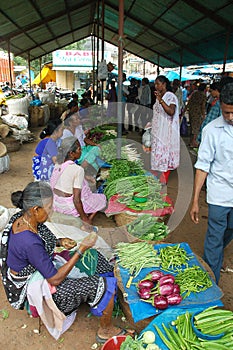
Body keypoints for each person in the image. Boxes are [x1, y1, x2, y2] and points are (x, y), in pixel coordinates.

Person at [0, 181, 127, 343]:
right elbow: (55, 279)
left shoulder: (24, 217)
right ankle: (105, 330)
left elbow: (41, 240)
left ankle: (101, 300)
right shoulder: (29, 241)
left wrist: (60, 242)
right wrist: (81, 250)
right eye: (49, 208)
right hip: (34, 288)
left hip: (38, 267)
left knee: (96, 257)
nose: (51, 211)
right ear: (35, 209)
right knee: (102, 284)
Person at [190, 82, 233, 284]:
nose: (230, 117)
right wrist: (195, 200)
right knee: (215, 237)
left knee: (229, 230)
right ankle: (210, 281)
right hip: (219, 193)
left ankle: (214, 257)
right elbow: (202, 166)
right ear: (220, 105)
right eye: (226, 113)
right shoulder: (212, 130)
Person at [50, 137, 106, 227]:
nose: (81, 151)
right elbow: (76, 200)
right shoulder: (78, 169)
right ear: (72, 153)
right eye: (79, 149)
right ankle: (85, 221)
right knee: (102, 199)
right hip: (70, 207)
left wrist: (85, 177)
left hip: (57, 203)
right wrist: (85, 219)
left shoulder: (58, 164)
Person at [150, 75, 180, 184]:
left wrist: (161, 100)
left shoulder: (170, 96)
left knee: (164, 152)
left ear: (164, 84)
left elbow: (171, 111)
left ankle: (163, 177)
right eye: (155, 84)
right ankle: (157, 173)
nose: (156, 86)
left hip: (166, 131)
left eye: (158, 84)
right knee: (157, 152)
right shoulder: (160, 97)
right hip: (158, 130)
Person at [184, 83, 206, 148]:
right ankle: (193, 143)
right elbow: (203, 106)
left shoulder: (194, 93)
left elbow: (189, 102)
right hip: (198, 113)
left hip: (192, 111)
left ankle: (191, 142)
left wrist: (185, 110)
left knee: (192, 127)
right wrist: (203, 114)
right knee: (196, 128)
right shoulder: (203, 95)